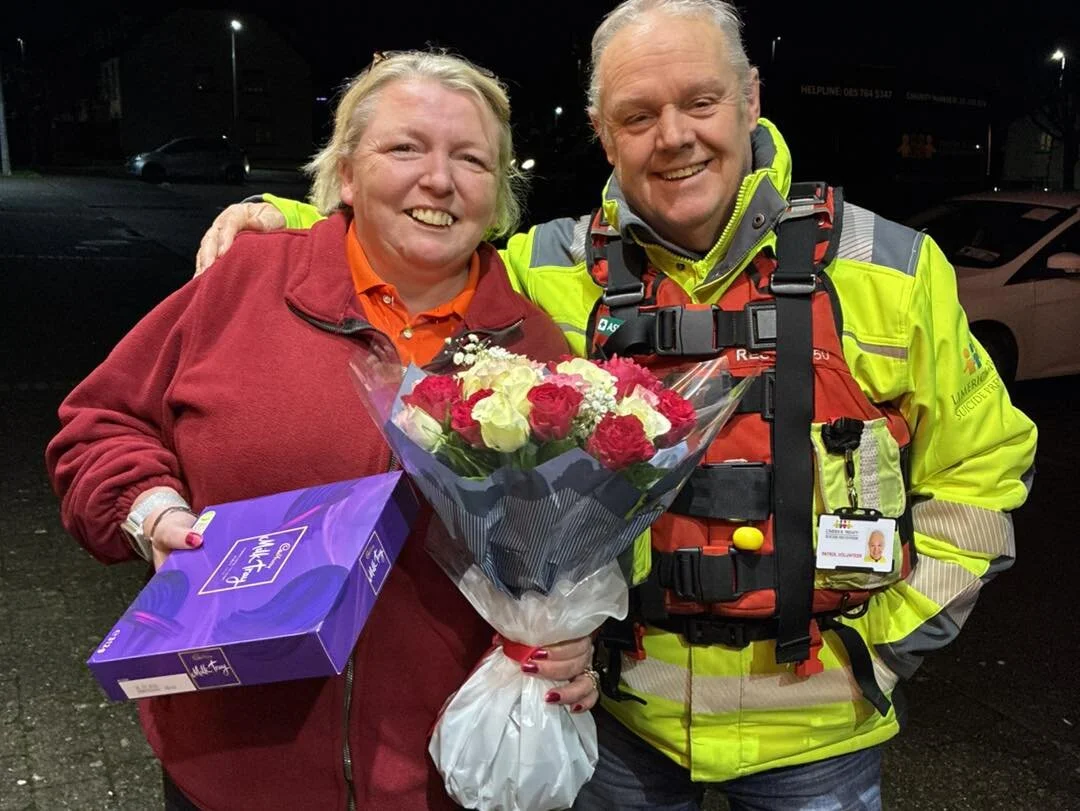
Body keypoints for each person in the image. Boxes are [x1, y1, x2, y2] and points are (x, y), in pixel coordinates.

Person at [192, 2, 1038, 809]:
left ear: (750, 99)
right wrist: (291, 218)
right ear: (603, 131)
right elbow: (422, 240)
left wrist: (884, 649)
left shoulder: (891, 268)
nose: (674, 136)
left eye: (701, 101)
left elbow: (985, 474)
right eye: (638, 116)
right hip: (621, 723)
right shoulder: (545, 269)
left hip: (825, 727)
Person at [46, 51, 600, 811]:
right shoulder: (243, 282)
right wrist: (149, 513)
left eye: (472, 159)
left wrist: (567, 637)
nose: (439, 179)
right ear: (345, 174)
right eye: (405, 147)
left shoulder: (537, 351)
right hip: (231, 771)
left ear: (498, 194)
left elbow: (565, 550)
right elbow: (99, 424)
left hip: (439, 780)